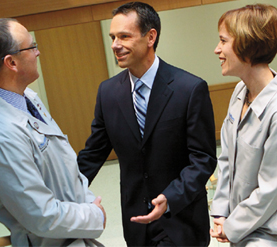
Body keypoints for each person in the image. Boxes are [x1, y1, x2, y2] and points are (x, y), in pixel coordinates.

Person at [77, 2, 217, 246]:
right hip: (136, 223)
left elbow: (203, 159)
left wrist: (170, 197)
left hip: (181, 219)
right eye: (112, 37)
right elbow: (92, 155)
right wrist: (62, 193)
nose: (115, 45)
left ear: (150, 36)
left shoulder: (189, 89)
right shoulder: (108, 93)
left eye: (124, 36)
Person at [0, 18, 106, 247]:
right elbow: (41, 215)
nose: (38, 52)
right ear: (11, 62)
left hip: (76, 229)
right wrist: (95, 215)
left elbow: (64, 161)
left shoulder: (27, 97)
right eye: (32, 47)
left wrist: (89, 204)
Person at [210, 4, 277, 246]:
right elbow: (227, 158)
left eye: (223, 41)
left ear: (247, 44)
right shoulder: (240, 91)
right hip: (242, 221)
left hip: (274, 231)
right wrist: (221, 212)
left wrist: (232, 226)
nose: (217, 49)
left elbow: (273, 191)